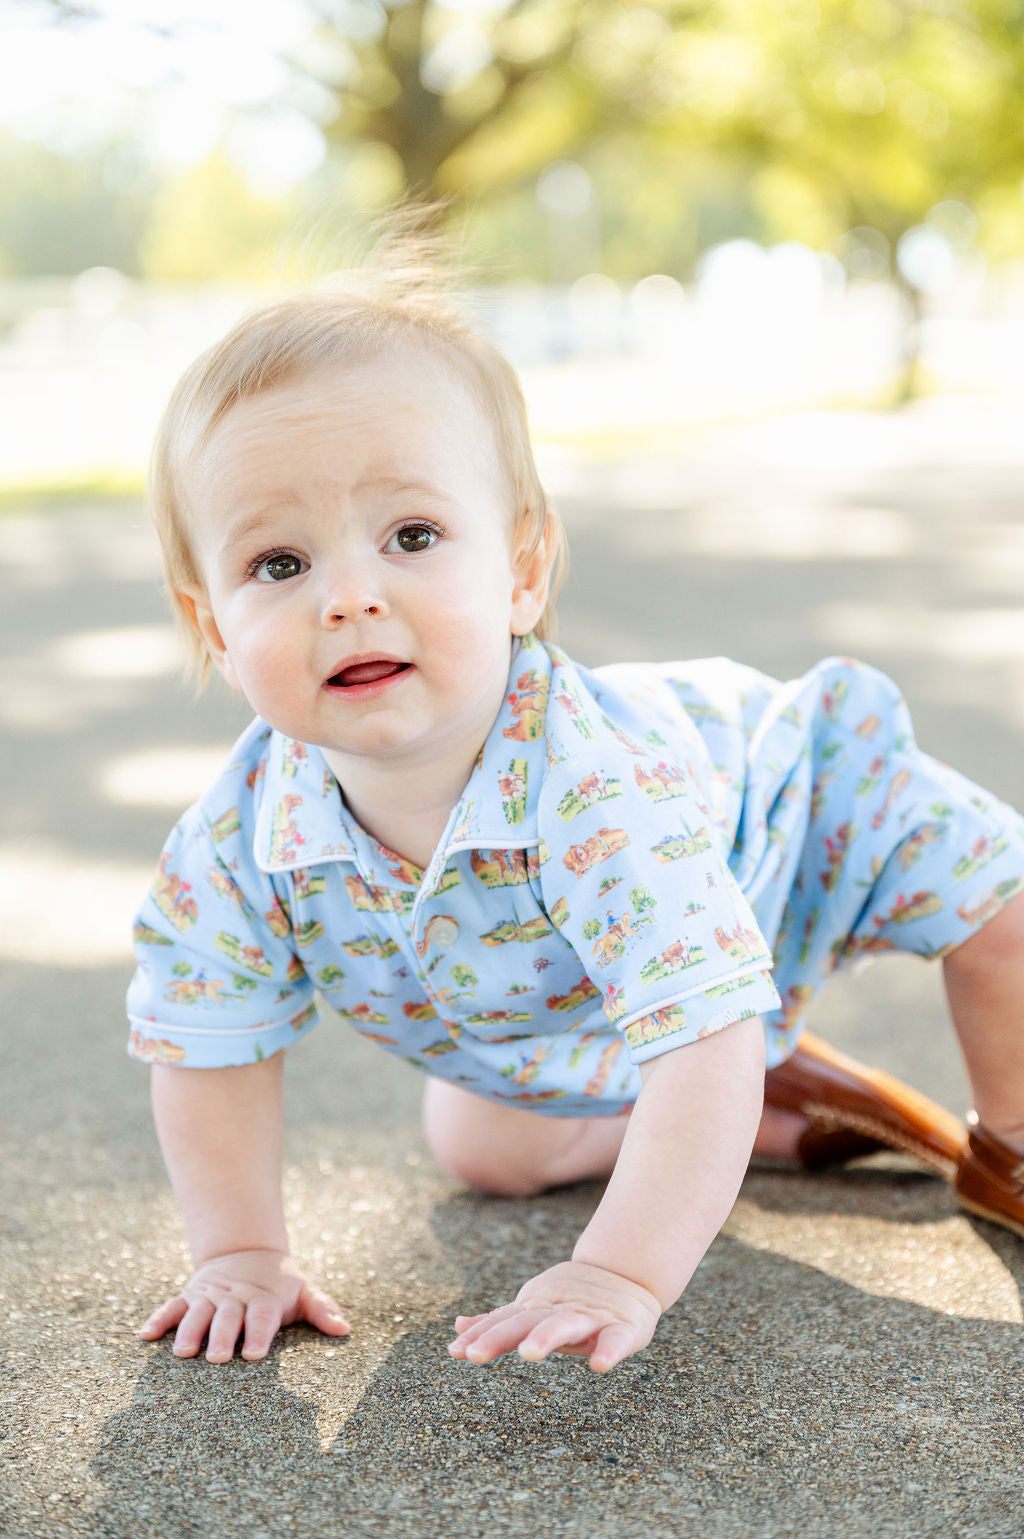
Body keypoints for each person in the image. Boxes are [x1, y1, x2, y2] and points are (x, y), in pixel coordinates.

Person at [129, 251, 1024, 1375]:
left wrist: (620, 1269)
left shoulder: (592, 793)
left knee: (997, 904)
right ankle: (763, 1109)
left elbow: (701, 1028)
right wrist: (241, 1251)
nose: (349, 596)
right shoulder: (236, 841)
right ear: (212, 627)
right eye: (279, 561)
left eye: (410, 536)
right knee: (484, 1143)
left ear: (521, 569)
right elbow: (207, 1044)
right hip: (574, 988)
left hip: (781, 809)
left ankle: (1008, 1140)